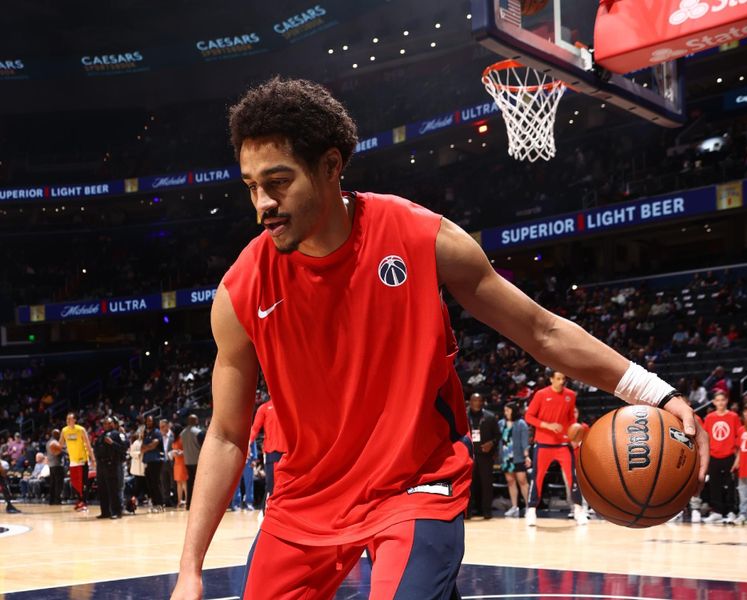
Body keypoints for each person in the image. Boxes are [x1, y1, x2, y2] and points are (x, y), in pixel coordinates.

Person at [171, 77, 708, 600]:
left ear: (331, 166)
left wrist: (655, 392)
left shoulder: (418, 236)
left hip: (414, 485)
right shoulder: (241, 290)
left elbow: (541, 330)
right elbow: (225, 436)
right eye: (251, 186)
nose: (262, 202)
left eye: (279, 181)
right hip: (305, 499)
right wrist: (190, 570)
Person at [524, 370, 587, 527]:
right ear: (551, 379)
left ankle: (579, 510)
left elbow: (571, 418)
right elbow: (529, 416)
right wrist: (547, 425)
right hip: (543, 443)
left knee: (573, 477)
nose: (561, 381)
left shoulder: (571, 395)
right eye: (558, 378)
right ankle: (531, 510)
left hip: (563, 444)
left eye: (563, 379)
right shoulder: (540, 394)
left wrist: (574, 435)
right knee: (537, 478)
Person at [702, 392, 740, 524]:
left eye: (722, 400)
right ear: (713, 402)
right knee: (714, 485)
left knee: (730, 485)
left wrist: (737, 458)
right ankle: (717, 511)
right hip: (713, 456)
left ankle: (731, 511)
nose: (720, 403)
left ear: (727, 401)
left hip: (729, 455)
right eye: (717, 400)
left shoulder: (734, 416)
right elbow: (705, 438)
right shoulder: (709, 418)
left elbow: (738, 437)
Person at [248, 398, 286, 512]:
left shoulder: (289, 406)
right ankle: (268, 514)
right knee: (272, 486)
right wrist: (249, 444)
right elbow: (254, 429)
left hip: (289, 453)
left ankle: (282, 514)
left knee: (286, 487)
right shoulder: (264, 408)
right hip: (272, 453)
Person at [468, 393, 501, 519]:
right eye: (474, 400)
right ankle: (468, 511)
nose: (477, 403)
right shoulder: (463, 415)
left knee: (486, 484)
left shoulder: (490, 417)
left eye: (479, 400)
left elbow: (498, 436)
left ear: (483, 402)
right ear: (470, 402)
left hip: (485, 456)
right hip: (468, 455)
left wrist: (491, 443)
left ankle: (486, 511)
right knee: (469, 484)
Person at [499, 402, 530, 518]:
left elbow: (524, 441)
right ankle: (514, 507)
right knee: (510, 481)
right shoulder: (501, 423)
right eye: (505, 410)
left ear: (513, 411)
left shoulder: (521, 423)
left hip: (518, 456)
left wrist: (526, 455)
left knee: (522, 481)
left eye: (508, 410)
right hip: (506, 457)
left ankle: (528, 507)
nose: (505, 412)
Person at [59, 412, 95, 511]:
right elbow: (60, 444)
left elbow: (88, 445)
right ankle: (79, 501)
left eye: (70, 419)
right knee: (75, 482)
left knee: (83, 482)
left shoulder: (81, 429)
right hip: (72, 460)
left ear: (75, 420)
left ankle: (84, 502)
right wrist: (55, 448)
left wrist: (93, 459)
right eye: (67, 419)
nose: (68, 421)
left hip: (82, 459)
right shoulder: (64, 430)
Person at [93, 416, 127, 519]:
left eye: (109, 423)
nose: (107, 425)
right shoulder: (101, 435)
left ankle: (117, 512)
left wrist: (112, 443)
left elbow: (123, 448)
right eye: (105, 423)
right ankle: (105, 512)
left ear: (113, 424)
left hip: (112, 464)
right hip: (101, 465)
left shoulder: (117, 435)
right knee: (102, 489)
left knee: (113, 489)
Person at [141, 415, 165, 512]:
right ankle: (155, 504)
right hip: (148, 461)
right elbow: (142, 448)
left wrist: (147, 447)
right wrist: (147, 447)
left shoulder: (157, 432)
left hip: (156, 461)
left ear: (153, 422)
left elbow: (153, 445)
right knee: (150, 484)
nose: (148, 423)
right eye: (147, 421)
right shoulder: (146, 434)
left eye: (150, 421)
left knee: (156, 483)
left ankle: (160, 504)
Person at [180, 414, 203, 510]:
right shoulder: (199, 432)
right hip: (198, 461)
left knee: (190, 483)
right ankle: (200, 504)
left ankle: (188, 504)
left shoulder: (182, 433)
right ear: (195, 421)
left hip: (188, 461)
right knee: (200, 483)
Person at [171, 427, 189, 509]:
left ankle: (187, 501)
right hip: (176, 462)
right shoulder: (174, 439)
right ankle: (179, 501)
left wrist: (180, 452)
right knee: (178, 483)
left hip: (182, 462)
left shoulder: (182, 439)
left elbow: (187, 450)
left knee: (184, 482)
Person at [46, 428, 65, 505]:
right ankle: (57, 500)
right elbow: (57, 453)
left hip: (51, 465)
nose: (59, 435)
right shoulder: (54, 442)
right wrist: (64, 451)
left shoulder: (48, 442)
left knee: (53, 483)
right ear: (55, 434)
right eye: (58, 433)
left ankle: (51, 500)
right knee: (58, 484)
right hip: (57, 464)